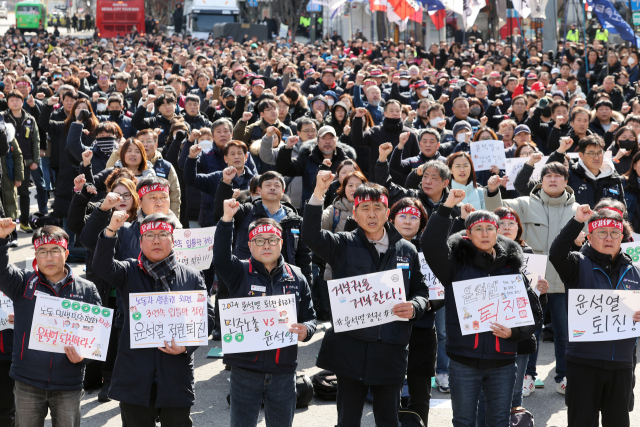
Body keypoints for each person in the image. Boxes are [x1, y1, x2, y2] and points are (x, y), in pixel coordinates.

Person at [302, 173, 430, 427]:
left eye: (378, 208)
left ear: (387, 213)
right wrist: (318, 193)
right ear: (354, 214)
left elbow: (422, 293)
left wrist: (414, 307)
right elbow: (311, 236)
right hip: (351, 347)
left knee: (388, 419)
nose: (372, 214)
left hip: (391, 347)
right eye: (364, 209)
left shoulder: (406, 249)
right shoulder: (341, 244)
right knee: (348, 420)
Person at [422, 190, 542, 427]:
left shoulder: (511, 268)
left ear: (498, 233)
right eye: (478, 229)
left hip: (503, 360)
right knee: (464, 421)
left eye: (490, 229)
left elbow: (534, 313)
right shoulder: (454, 266)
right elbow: (430, 243)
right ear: (468, 234)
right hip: (463, 360)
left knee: (498, 421)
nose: (485, 234)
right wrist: (447, 206)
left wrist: (514, 333)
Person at [93, 211, 213, 426]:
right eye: (149, 235)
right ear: (140, 241)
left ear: (173, 240)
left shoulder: (192, 276)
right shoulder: (128, 271)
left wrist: (187, 346)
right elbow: (101, 266)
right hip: (135, 373)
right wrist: (111, 230)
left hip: (176, 374)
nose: (156, 240)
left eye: (162, 234)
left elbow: (208, 318)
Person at [214, 205, 316, 427]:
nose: (266, 244)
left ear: (281, 243)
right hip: (245, 370)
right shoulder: (238, 272)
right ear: (249, 245)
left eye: (272, 239)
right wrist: (227, 220)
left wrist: (307, 330)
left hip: (284, 370)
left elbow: (310, 317)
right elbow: (220, 256)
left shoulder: (296, 276)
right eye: (259, 240)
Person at [0, 222, 102, 427]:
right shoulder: (22, 283)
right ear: (36, 256)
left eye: (55, 250)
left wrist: (85, 356)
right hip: (27, 380)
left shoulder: (87, 289)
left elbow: (99, 335)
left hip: (69, 382)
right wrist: (1, 240)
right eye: (42, 251)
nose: (48, 257)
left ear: (66, 252)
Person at [550, 205, 640, 427]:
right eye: (602, 233)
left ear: (623, 237)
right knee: (582, 422)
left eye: (615, 233)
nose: (609, 238)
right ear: (589, 236)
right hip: (583, 361)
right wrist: (577, 220)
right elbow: (556, 253)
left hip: (621, 362)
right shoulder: (576, 264)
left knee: (618, 422)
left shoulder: (634, 270)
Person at [388, 197, 445, 424]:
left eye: (414, 217)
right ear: (391, 219)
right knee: (388, 389)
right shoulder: (380, 247)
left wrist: (426, 304)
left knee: (420, 391)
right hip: (387, 330)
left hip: (422, 328)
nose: (408, 221)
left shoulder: (432, 250)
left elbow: (442, 290)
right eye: (402, 216)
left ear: (422, 222)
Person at [276, 125, 355, 210]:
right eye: (323, 138)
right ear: (317, 141)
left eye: (331, 138)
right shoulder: (307, 157)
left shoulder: (346, 161)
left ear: (336, 140)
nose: (327, 142)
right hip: (311, 209)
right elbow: (284, 169)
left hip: (340, 211)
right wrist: (287, 148)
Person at [1, 91, 44, 233]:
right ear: (7, 103)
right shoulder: (3, 117)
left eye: (18, 99)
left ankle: (24, 221)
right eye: (11, 100)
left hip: (25, 162)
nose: (15, 102)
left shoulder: (29, 119)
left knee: (24, 193)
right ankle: (9, 222)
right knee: (8, 192)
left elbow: (35, 140)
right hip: (5, 161)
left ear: (22, 101)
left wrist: (35, 160)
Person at [549, 134, 626, 208]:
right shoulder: (570, 176)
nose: (596, 158)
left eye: (599, 153)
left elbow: (622, 208)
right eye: (591, 153)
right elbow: (547, 177)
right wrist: (560, 151)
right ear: (581, 156)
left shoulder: (613, 177)